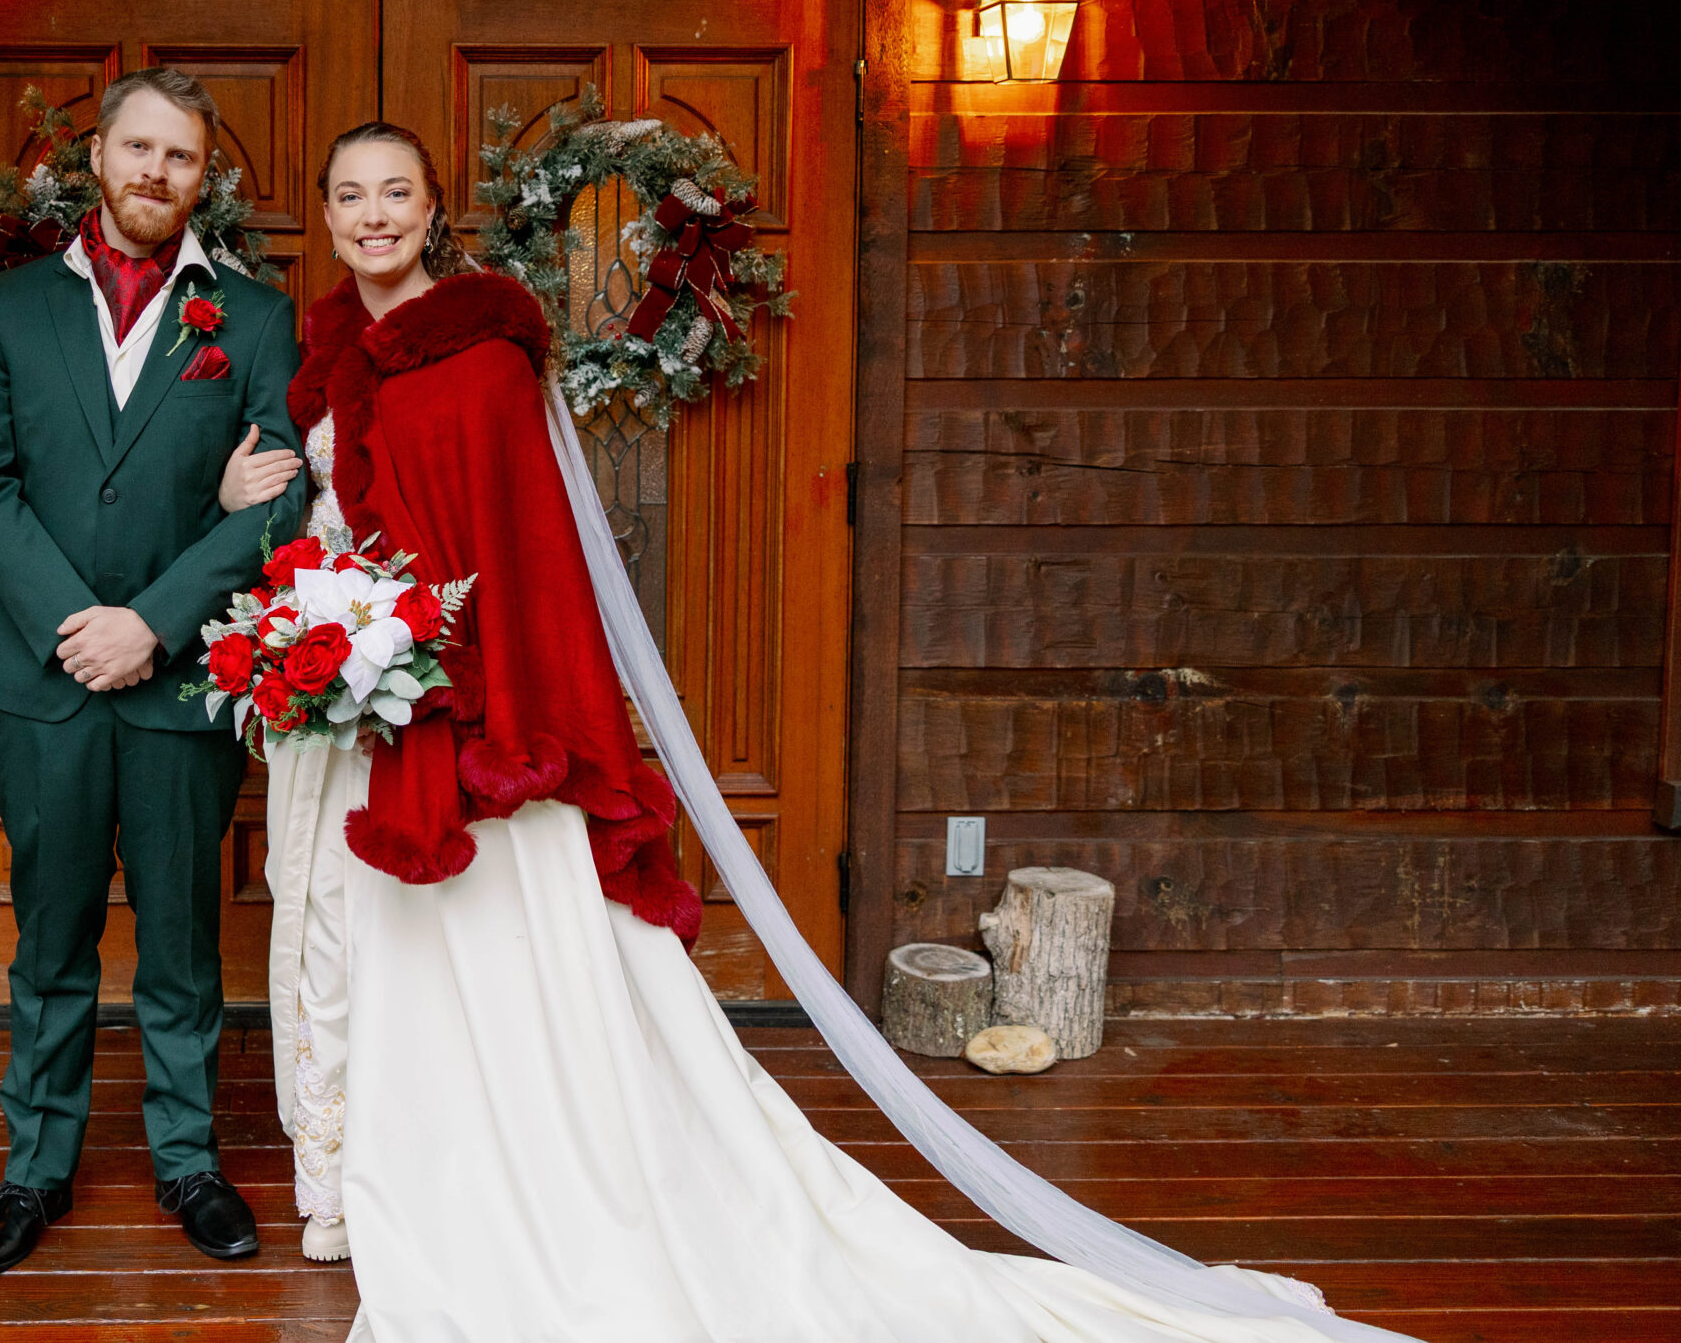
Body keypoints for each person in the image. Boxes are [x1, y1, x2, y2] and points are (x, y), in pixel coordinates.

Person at [227, 120, 1417, 1342]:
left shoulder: (481, 357)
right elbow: (337, 518)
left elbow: (523, 565)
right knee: (372, 949)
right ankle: (382, 1179)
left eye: (397, 193)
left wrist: (451, 677)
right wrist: (310, 602)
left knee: (489, 963)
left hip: (476, 723)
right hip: (365, 713)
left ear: (434, 211)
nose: (374, 216)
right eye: (350, 196)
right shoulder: (328, 357)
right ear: (327, 214)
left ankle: (512, 1184)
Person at [0, 66, 305, 1277]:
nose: (156, 171)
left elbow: (280, 499)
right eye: (138, 148)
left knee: (181, 941)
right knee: (49, 938)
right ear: (97, 157)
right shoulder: (11, 308)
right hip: (38, 681)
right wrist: (77, 623)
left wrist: (150, 622)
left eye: (181, 156)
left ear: (204, 178)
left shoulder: (252, 320)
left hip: (181, 680)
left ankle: (187, 1161)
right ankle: (34, 1170)